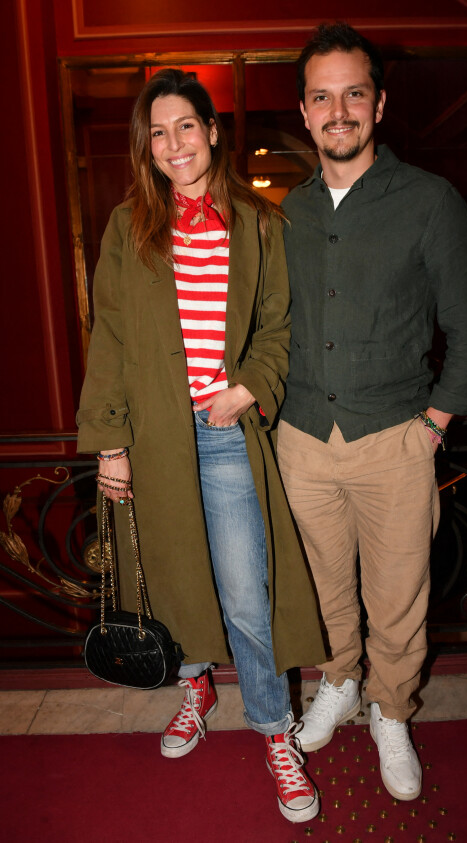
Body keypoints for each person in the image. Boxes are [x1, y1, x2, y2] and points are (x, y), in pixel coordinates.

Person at [77, 68, 325, 824]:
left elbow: (279, 327)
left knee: (248, 594)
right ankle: (193, 689)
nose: (174, 143)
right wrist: (110, 442)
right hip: (151, 435)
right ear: (145, 147)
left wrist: (248, 386)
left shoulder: (259, 221)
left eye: (187, 125)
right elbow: (110, 335)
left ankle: (275, 733)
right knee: (173, 578)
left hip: (222, 435)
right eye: (159, 132)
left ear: (213, 131)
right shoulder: (129, 226)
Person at [277, 23, 467, 802]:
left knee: (398, 595)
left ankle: (391, 709)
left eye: (353, 93)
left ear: (378, 103)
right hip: (302, 438)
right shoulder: (287, 214)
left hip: (396, 437)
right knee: (325, 586)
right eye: (322, 96)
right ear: (304, 112)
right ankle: (340, 680)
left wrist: (436, 423)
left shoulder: (429, 200)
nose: (338, 110)